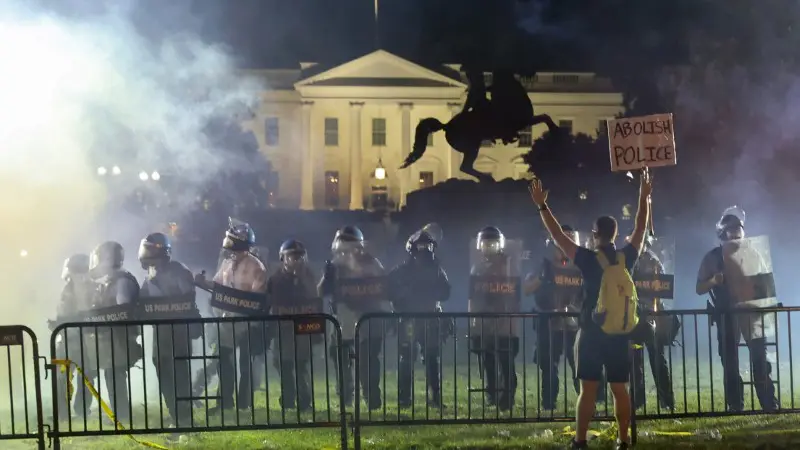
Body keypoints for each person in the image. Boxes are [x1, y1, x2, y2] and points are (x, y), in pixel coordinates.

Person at [529, 168, 652, 450]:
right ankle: (623, 441)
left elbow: (558, 236)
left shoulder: (586, 259)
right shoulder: (626, 257)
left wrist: (542, 205)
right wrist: (644, 197)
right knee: (620, 389)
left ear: (595, 235)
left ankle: (580, 441)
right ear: (615, 234)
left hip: (592, 332)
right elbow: (641, 228)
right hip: (621, 333)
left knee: (588, 390)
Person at [696, 211, 778, 412]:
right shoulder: (713, 257)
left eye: (738, 230)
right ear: (723, 234)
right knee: (730, 362)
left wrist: (767, 303)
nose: (735, 235)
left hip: (753, 314)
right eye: (731, 231)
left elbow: (766, 283)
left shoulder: (753, 253)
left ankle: (769, 403)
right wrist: (714, 280)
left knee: (760, 359)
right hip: (727, 315)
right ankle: (735, 403)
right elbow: (699, 288)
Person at [195, 218, 268, 414]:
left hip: (247, 322)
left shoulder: (256, 267)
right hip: (227, 321)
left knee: (246, 365)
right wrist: (203, 283)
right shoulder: (227, 264)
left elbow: (258, 297)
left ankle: (244, 404)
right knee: (224, 363)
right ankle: (224, 402)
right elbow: (218, 285)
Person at [318, 226, 392, 410]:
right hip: (343, 319)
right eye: (344, 244)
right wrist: (326, 277)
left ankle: (372, 398)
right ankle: (345, 399)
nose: (347, 250)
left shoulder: (371, 264)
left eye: (351, 245)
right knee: (340, 359)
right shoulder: (334, 266)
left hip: (368, 320)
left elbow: (384, 290)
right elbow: (320, 292)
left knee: (367, 362)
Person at [138, 232, 201, 428]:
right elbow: (143, 299)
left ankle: (185, 419)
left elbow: (188, 300)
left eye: (149, 249)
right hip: (160, 334)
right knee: (164, 376)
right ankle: (175, 416)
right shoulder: (151, 274)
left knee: (179, 377)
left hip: (178, 333)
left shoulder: (179, 271)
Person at [387, 224, 451, 408]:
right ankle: (404, 399)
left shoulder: (437, 270)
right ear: (413, 249)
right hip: (408, 320)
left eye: (428, 247)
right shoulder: (402, 271)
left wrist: (431, 291)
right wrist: (404, 296)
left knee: (432, 358)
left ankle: (436, 398)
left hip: (430, 319)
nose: (425, 251)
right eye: (422, 247)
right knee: (407, 358)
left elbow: (446, 293)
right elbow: (389, 290)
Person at [525, 226, 582, 411]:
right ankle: (549, 404)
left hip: (575, 324)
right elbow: (526, 289)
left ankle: (589, 403)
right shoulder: (543, 265)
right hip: (548, 322)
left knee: (580, 367)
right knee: (549, 366)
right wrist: (542, 278)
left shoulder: (581, 267)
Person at [87, 241, 142, 425]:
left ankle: (122, 415)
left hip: (118, 337)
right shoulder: (113, 280)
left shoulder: (122, 281)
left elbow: (122, 309)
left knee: (115, 375)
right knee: (111, 374)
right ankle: (119, 414)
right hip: (112, 337)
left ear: (108, 259)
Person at [468, 226, 521, 411]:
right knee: (488, 359)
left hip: (505, 324)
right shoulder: (477, 268)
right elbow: (472, 298)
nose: (489, 247)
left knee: (506, 362)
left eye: (492, 244)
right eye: (486, 244)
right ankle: (491, 394)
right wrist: (474, 322)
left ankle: (507, 397)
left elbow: (515, 296)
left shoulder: (509, 265)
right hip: (484, 322)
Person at [266, 239, 321, 412]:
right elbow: (270, 303)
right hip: (284, 329)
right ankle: (288, 400)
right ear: (283, 258)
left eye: (299, 256)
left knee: (301, 365)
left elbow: (315, 299)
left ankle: (305, 402)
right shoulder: (276, 279)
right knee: (283, 364)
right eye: (292, 256)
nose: (296, 260)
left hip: (303, 329)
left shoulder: (309, 276)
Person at [627, 235, 675, 412]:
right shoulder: (628, 260)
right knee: (636, 361)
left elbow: (662, 287)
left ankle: (666, 401)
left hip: (650, 316)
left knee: (657, 359)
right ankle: (638, 401)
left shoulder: (653, 261)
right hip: (635, 316)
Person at [50, 254, 96, 421]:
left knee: (87, 376)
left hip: (84, 340)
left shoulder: (91, 288)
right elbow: (63, 311)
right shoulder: (68, 288)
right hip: (67, 339)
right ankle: (62, 413)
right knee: (62, 377)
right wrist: (58, 323)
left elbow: (88, 313)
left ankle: (82, 410)